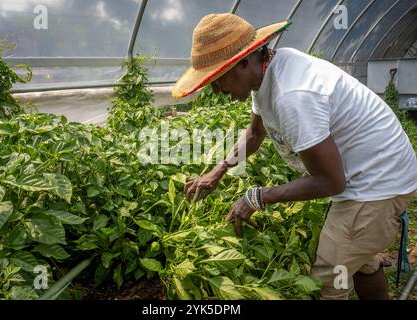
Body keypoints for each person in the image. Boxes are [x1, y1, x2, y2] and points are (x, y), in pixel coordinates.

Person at [172, 13, 417, 300]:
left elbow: (329, 182)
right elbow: (254, 133)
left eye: (217, 78)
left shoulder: (293, 96)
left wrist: (257, 197)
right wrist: (219, 170)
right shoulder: (269, 69)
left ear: (244, 61)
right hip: (370, 172)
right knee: (361, 260)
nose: (215, 89)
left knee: (329, 276)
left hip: (377, 186)